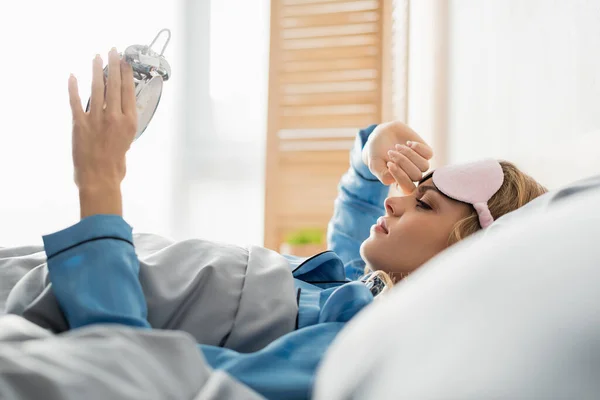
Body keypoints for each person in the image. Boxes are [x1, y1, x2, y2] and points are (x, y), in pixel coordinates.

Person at [4, 49, 547, 399]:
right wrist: (381, 140)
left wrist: (101, 181)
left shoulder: (348, 347)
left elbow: (139, 374)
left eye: (425, 205)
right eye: (413, 192)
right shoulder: (352, 285)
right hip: (39, 266)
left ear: (462, 260)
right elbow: (361, 189)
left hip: (64, 293)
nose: (394, 202)